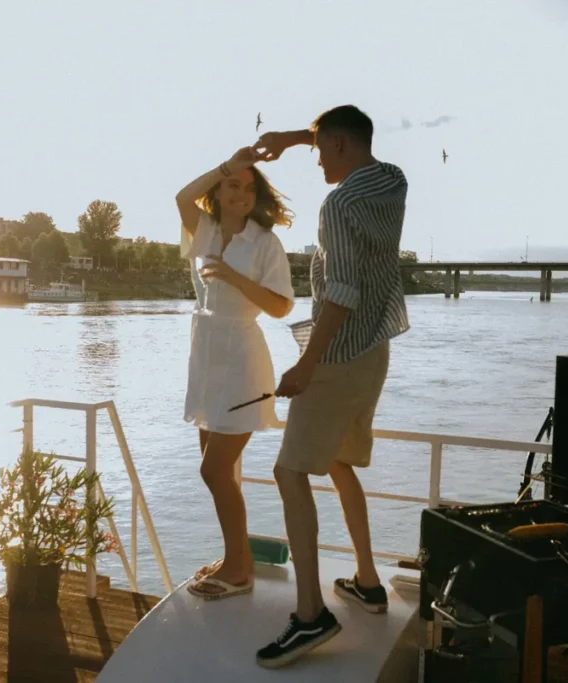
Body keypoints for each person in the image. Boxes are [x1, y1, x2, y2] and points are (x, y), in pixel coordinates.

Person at [251, 105, 410, 668]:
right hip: (375, 348)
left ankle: (311, 614)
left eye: (320, 150)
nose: (315, 158)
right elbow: (343, 130)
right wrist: (293, 137)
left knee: (289, 471)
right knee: (339, 462)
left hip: (337, 355)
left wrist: (305, 366)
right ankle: (367, 581)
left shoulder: (339, 204)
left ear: (341, 145)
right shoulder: (392, 180)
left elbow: (339, 291)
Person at [175, 145, 296, 600]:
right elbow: (181, 198)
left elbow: (282, 306)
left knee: (214, 469)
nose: (241, 193)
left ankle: (239, 566)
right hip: (206, 354)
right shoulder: (202, 228)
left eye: (249, 187)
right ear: (219, 190)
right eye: (232, 184)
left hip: (243, 357)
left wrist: (231, 275)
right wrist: (228, 163)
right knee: (218, 470)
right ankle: (236, 558)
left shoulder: (264, 242)